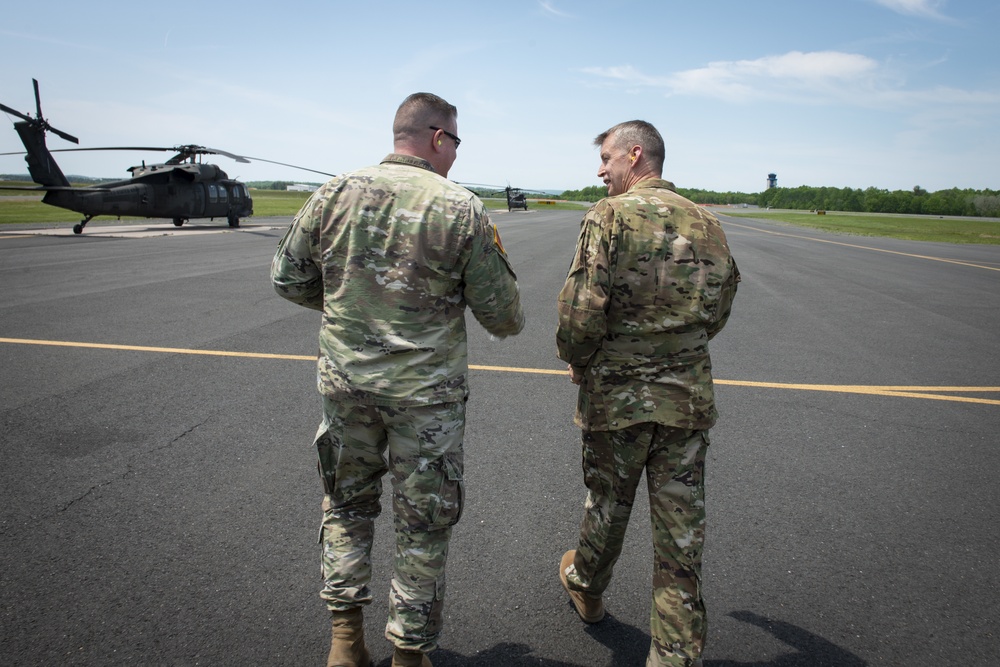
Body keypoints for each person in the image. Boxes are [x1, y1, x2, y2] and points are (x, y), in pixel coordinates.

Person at [271, 92, 524, 667]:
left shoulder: (333, 191)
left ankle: (345, 642)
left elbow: (287, 278)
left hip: (346, 386)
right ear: (438, 138)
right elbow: (504, 316)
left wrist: (351, 309)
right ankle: (410, 653)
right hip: (424, 397)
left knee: (346, 506)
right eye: (456, 142)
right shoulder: (460, 208)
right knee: (424, 522)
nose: (456, 153)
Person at [555, 120, 739, 667]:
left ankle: (587, 586)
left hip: (618, 398)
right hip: (686, 399)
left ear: (635, 156)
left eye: (607, 158)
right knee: (681, 531)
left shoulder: (607, 216)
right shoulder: (706, 221)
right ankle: (676, 654)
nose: (600, 169)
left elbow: (582, 309)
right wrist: (679, 349)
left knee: (609, 504)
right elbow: (722, 304)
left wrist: (578, 359)